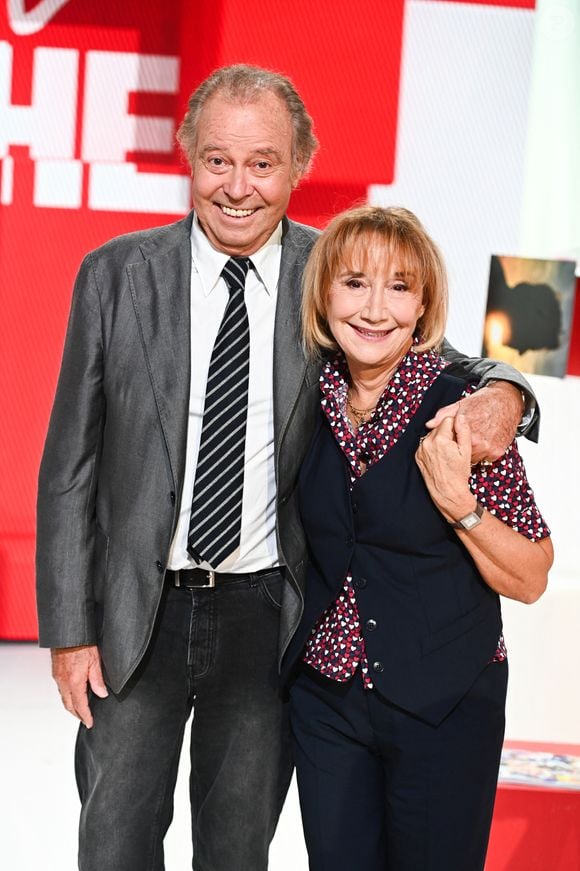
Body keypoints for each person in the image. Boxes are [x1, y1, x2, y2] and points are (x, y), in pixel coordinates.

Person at [36, 65, 538, 871]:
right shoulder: (115, 274)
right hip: (136, 613)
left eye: (263, 163)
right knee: (115, 843)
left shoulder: (329, 273)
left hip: (267, 618)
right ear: (186, 154)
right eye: (218, 161)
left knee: (237, 850)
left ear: (299, 163)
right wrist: (68, 631)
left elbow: (435, 355)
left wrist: (510, 393)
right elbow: (68, 466)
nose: (238, 187)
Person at [283, 205, 553, 871]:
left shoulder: (465, 408)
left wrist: (461, 507)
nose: (375, 308)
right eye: (355, 282)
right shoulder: (306, 398)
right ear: (324, 294)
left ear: (423, 303)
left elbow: (532, 576)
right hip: (329, 703)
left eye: (399, 286)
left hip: (447, 702)